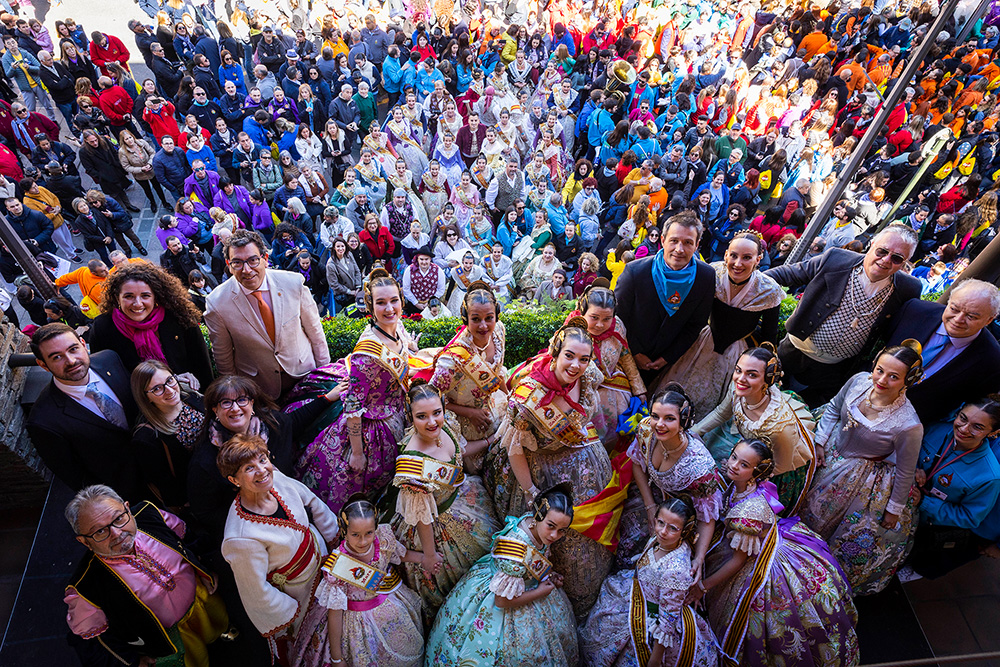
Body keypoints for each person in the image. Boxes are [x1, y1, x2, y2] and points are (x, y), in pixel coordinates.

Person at [689, 439, 859, 666]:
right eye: (733, 457)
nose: (734, 465)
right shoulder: (743, 485)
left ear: (756, 473)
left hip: (763, 564)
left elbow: (738, 562)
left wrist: (703, 587)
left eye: (744, 464)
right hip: (764, 540)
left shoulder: (749, 512)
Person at [485, 319, 613, 619]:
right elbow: (514, 449)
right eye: (569, 355)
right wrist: (531, 492)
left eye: (584, 358)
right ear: (555, 352)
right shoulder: (528, 398)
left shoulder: (588, 375)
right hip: (538, 470)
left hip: (582, 462)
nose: (576, 365)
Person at [800, 341, 925, 595]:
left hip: (861, 476)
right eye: (880, 370)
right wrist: (820, 442)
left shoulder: (910, 425)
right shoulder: (859, 380)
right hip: (831, 450)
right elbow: (834, 408)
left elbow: (904, 470)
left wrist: (893, 509)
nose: (882, 380)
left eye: (893, 377)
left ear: (907, 381)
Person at [63, 485, 228, 667]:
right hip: (168, 637)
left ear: (127, 508)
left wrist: (203, 566)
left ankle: (222, 634)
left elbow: (186, 539)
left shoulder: (150, 514)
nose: (117, 534)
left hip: (202, 599)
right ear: (84, 541)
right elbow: (94, 639)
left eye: (119, 518)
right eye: (100, 531)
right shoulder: (86, 587)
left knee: (217, 625)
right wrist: (132, 661)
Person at [296, 268, 416, 512]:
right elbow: (353, 406)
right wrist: (358, 453)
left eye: (394, 301)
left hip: (397, 411)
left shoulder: (396, 326)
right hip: (372, 426)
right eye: (381, 303)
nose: (390, 309)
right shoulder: (366, 353)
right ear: (370, 307)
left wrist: (410, 346)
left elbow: (402, 351)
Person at [765, 224, 922, 406]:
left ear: (905, 262)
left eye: (896, 258)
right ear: (872, 243)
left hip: (835, 371)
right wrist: (745, 283)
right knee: (765, 395)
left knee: (803, 414)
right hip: (792, 352)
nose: (886, 260)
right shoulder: (836, 258)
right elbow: (789, 274)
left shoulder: (908, 288)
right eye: (882, 251)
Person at [425, 485, 579, 665]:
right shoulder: (515, 550)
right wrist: (540, 592)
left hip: (521, 582)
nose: (554, 535)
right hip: (502, 596)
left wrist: (547, 574)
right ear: (537, 515)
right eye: (551, 526)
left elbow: (534, 559)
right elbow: (501, 601)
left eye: (562, 530)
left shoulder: (536, 525)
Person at [218, 434, 340, 655]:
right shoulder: (240, 538)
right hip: (299, 593)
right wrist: (292, 611)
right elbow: (256, 591)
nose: (262, 470)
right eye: (248, 468)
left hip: (325, 559)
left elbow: (313, 502)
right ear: (234, 481)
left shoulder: (276, 478)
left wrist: (334, 539)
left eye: (263, 460)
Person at [390, 382, 500, 621]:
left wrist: (489, 441)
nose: (432, 422)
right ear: (410, 417)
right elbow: (421, 516)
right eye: (422, 416)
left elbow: (458, 451)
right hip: (434, 530)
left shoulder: (446, 425)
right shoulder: (412, 466)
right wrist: (429, 556)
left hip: (462, 501)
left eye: (436, 413)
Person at [579, 497, 720, 667]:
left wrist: (655, 659)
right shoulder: (659, 540)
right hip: (636, 596)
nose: (663, 531)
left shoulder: (676, 571)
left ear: (685, 531)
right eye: (660, 522)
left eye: (673, 528)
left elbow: (667, 621)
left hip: (655, 623)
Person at [659, 232, 784, 418]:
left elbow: (769, 336)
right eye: (733, 255)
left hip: (736, 354)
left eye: (747, 258)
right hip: (701, 342)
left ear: (758, 260)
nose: (738, 263)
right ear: (726, 254)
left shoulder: (768, 290)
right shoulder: (712, 273)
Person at [291, 495, 425, 667]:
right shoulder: (338, 567)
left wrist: (424, 558)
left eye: (369, 533)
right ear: (344, 531)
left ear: (376, 527)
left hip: (389, 605)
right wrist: (336, 658)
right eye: (355, 535)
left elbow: (400, 554)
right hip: (355, 625)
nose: (363, 541)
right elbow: (335, 613)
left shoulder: (383, 539)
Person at [204, 229, 330, 397]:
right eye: (237, 263)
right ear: (228, 264)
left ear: (265, 258)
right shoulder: (217, 303)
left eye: (253, 260)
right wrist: (240, 395)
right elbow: (223, 358)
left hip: (305, 374)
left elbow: (315, 333)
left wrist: (324, 374)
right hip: (260, 389)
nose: (247, 270)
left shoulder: (293, 283)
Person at [694, 343, 816, 515]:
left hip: (768, 468)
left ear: (767, 380)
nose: (740, 379)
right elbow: (722, 413)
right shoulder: (738, 388)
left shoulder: (780, 427)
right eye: (738, 370)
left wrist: (743, 472)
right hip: (747, 450)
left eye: (752, 375)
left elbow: (781, 465)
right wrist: (694, 431)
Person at [27, 324, 141, 499]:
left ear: (83, 343)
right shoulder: (43, 421)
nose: (71, 361)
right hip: (129, 494)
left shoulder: (110, 359)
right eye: (57, 357)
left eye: (73, 349)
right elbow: (77, 478)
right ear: (43, 365)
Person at [903, 396, 1000, 580]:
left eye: (977, 427)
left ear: (992, 433)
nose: (964, 429)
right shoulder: (937, 429)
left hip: (924, 527)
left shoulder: (990, 476)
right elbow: (909, 448)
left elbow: (970, 517)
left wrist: (924, 502)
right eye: (963, 418)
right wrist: (914, 467)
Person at [614, 212, 715, 385]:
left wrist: (667, 358)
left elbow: (696, 324)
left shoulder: (705, 276)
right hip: (627, 359)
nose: (679, 249)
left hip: (670, 364)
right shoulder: (635, 271)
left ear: (697, 245)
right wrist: (635, 352)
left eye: (688, 243)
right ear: (662, 240)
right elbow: (619, 317)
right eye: (674, 241)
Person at [884, 279, 1000, 423]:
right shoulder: (914, 310)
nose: (958, 319)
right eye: (954, 309)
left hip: (907, 428)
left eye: (971, 316)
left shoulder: (992, 361)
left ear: (989, 320)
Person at [89, 263, 214, 390]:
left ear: (156, 296)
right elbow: (107, 378)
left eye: (145, 296)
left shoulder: (178, 315)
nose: (138, 304)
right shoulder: (103, 328)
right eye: (128, 296)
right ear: (117, 298)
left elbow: (201, 363)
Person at [428, 283, 509, 470]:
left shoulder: (498, 332)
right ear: (465, 318)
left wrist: (509, 396)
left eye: (489, 318)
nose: (483, 325)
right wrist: (471, 414)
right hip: (461, 421)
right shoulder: (453, 359)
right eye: (476, 319)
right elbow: (432, 399)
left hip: (491, 407)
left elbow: (498, 372)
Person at [130, 360, 205, 510]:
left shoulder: (192, 397)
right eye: (157, 389)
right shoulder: (146, 438)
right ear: (145, 397)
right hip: (201, 496)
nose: (170, 390)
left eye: (170, 380)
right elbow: (166, 485)